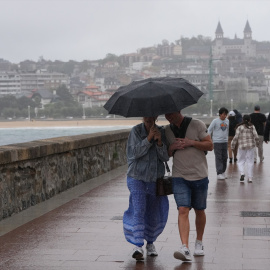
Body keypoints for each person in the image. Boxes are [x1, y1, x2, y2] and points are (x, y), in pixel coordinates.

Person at [164, 111, 213, 262]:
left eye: (171, 113)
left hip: (199, 175)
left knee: (199, 210)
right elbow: (165, 155)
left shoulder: (197, 124)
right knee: (182, 209)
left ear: (179, 111)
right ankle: (184, 247)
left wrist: (191, 142)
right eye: (166, 114)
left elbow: (210, 145)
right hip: (179, 176)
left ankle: (199, 242)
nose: (168, 116)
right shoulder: (167, 130)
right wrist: (171, 147)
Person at [123, 116, 169, 261]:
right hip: (137, 177)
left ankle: (150, 243)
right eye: (146, 118)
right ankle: (138, 245)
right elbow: (133, 153)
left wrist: (160, 142)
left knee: (153, 211)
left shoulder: (162, 131)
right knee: (139, 209)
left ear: (155, 117)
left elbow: (165, 157)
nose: (149, 121)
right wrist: (148, 139)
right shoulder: (136, 131)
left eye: (151, 118)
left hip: (155, 179)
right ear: (143, 118)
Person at [231, 115, 259, 183]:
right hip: (251, 146)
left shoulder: (239, 127)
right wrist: (257, 144)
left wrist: (232, 145)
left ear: (243, 120)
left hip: (242, 147)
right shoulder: (252, 126)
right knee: (250, 161)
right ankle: (250, 178)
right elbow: (256, 136)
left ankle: (242, 173)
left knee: (241, 161)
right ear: (250, 120)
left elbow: (235, 137)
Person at [208, 107, 229, 180]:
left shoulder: (227, 121)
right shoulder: (215, 121)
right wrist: (209, 140)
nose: (225, 116)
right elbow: (209, 130)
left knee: (225, 157)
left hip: (225, 141)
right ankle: (219, 173)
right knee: (218, 157)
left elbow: (228, 131)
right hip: (217, 142)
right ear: (220, 114)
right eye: (223, 114)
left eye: (226, 114)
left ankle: (223, 171)